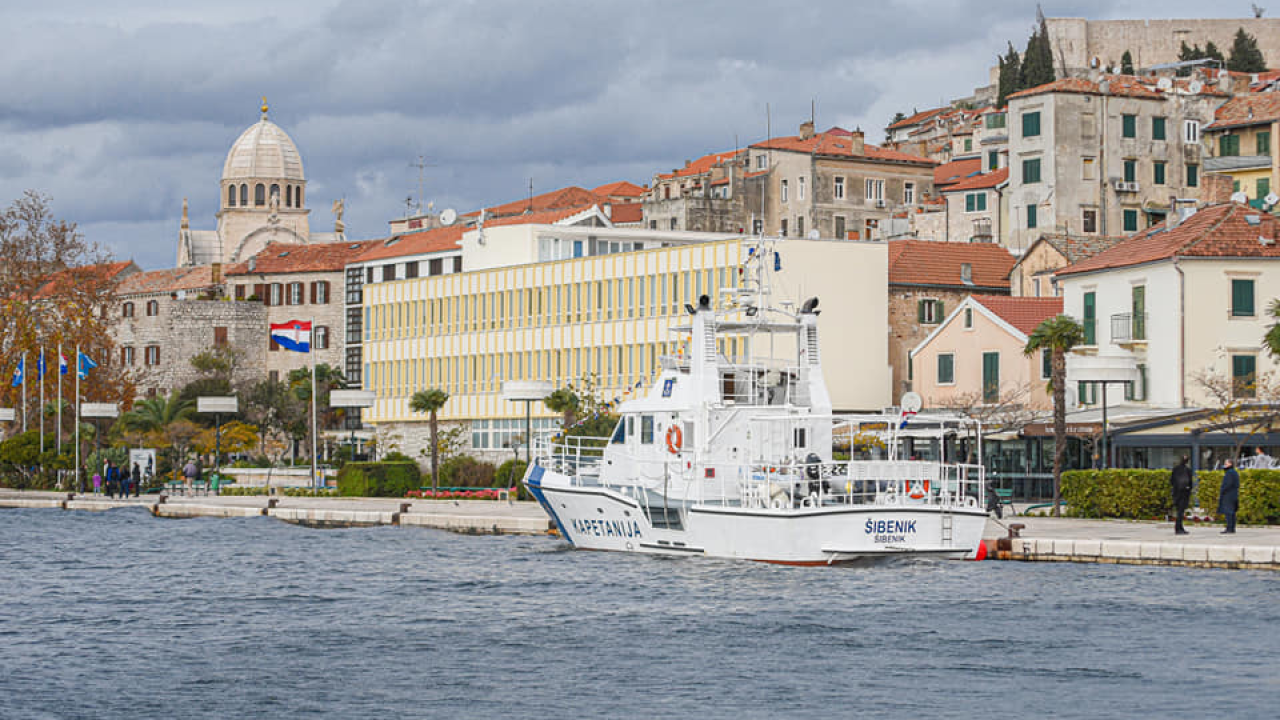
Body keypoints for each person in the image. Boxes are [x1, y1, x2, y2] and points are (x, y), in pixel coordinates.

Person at [1170, 455, 1193, 535]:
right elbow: (1190, 483)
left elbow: (1172, 481)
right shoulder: (1187, 470)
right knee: (1180, 511)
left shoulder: (1175, 469)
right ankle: (1178, 528)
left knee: (1179, 511)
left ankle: (1179, 527)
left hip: (1177, 493)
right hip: (1184, 493)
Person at [1218, 459, 1240, 534]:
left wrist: (1222, 490)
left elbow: (1227, 484)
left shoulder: (1229, 473)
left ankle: (1229, 528)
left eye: (1226, 463)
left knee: (1228, 512)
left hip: (1228, 495)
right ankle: (1232, 528)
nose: (1225, 465)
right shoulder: (1234, 472)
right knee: (1232, 512)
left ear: (1230, 464)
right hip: (1233, 494)